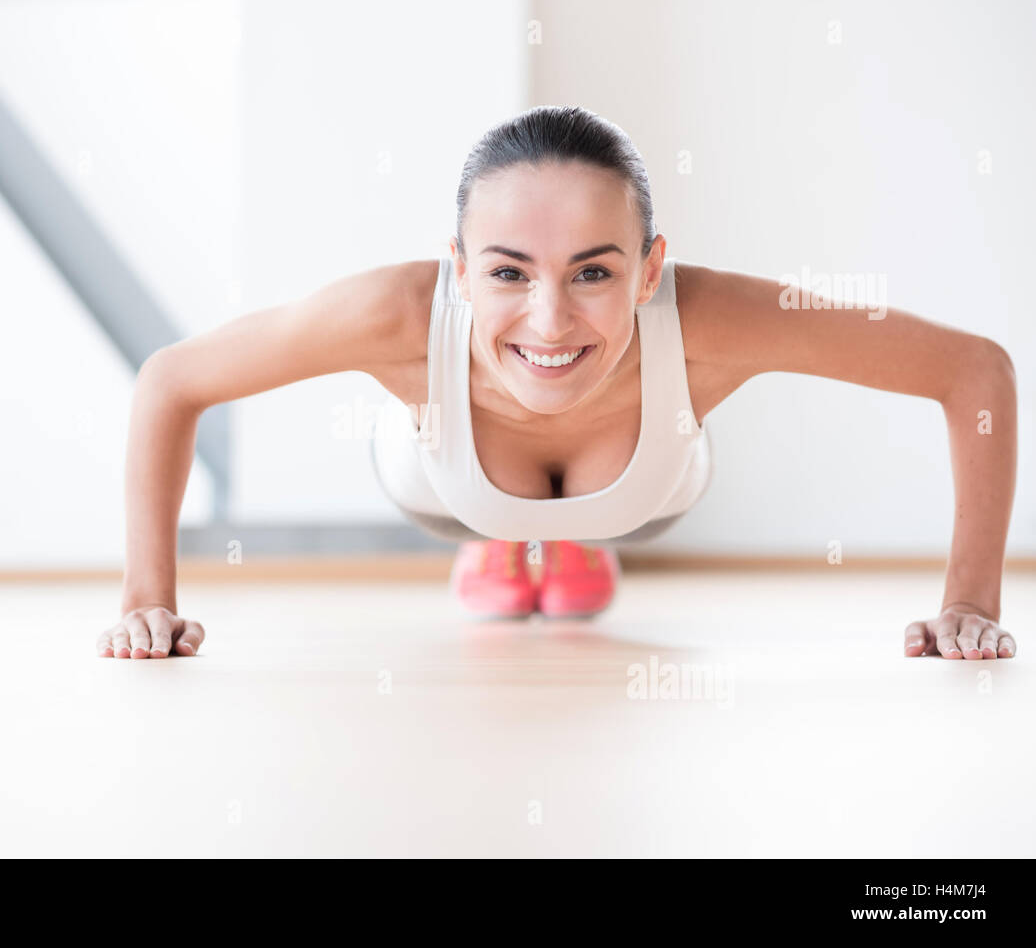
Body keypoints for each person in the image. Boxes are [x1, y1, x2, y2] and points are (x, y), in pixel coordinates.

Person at [97, 105, 1018, 662]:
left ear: (651, 270)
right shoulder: (391, 315)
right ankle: (505, 544)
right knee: (477, 513)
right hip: (447, 495)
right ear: (456, 269)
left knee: (618, 502)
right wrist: (148, 601)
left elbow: (974, 371)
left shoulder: (713, 319)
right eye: (506, 273)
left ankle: (563, 543)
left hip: (643, 497)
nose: (548, 321)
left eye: (593, 272)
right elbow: (172, 381)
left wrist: (969, 603)